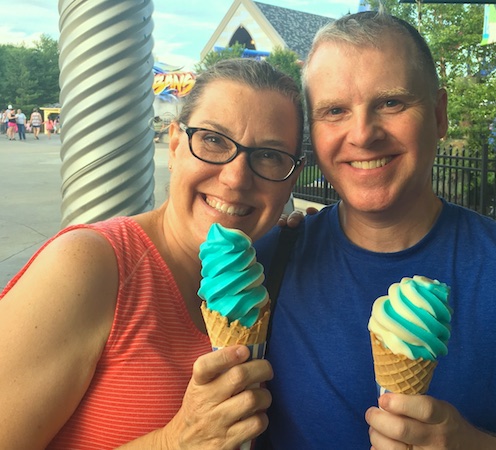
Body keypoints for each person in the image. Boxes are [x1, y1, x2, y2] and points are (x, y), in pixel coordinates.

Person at [254, 11, 496, 450]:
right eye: (335, 111)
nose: (362, 134)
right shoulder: (267, 267)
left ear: (439, 115)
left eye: (391, 103)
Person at [0, 58, 306, 449]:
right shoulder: (86, 266)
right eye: (213, 140)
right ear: (175, 145)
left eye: (268, 155)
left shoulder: (269, 266)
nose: (235, 178)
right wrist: (173, 442)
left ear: (291, 178)